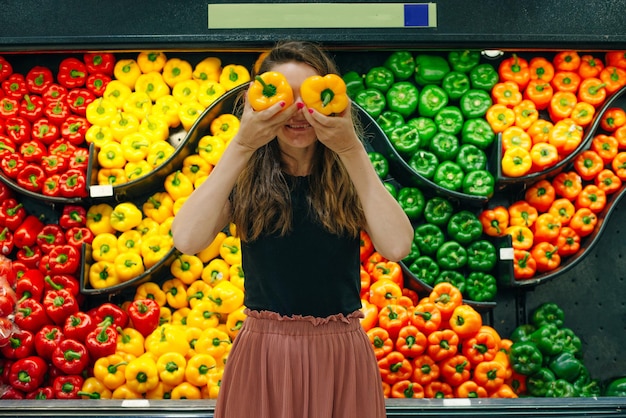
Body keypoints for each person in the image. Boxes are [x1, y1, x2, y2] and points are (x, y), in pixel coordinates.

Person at [171, 41, 413, 418]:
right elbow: (186, 239)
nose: (297, 111)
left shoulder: (350, 175)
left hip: (340, 354)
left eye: (311, 95)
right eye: (283, 96)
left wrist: (351, 149)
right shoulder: (245, 178)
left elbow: (397, 246)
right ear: (258, 103)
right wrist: (243, 143)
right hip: (263, 354)